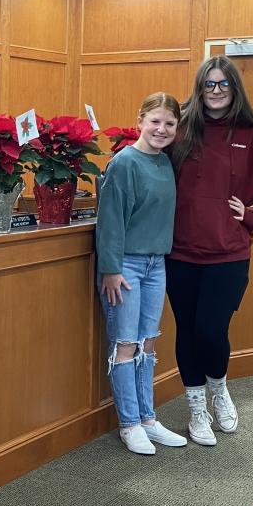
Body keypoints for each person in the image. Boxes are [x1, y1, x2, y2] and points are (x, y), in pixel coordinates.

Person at [167, 56, 253, 446]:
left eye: (223, 84)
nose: (215, 91)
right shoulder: (180, 129)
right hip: (178, 253)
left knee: (212, 330)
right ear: (199, 88)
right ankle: (196, 410)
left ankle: (218, 388)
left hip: (228, 254)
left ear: (235, 88)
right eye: (209, 84)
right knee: (188, 331)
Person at [96, 92, 188, 455]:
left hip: (156, 265)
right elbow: (110, 220)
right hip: (125, 267)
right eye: (155, 121)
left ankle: (148, 419)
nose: (161, 129)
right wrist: (110, 269)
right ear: (140, 121)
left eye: (169, 123)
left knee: (148, 342)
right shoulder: (123, 163)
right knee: (126, 344)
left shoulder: (165, 162)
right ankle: (129, 424)